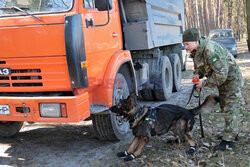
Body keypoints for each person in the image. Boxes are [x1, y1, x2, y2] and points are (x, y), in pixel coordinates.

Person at [182, 28, 244, 151]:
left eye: (187, 44)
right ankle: (232, 133)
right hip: (223, 81)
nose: (186, 47)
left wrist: (204, 83)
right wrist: (197, 75)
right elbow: (201, 66)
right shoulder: (197, 50)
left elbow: (221, 74)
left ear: (195, 41)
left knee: (230, 108)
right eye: (184, 44)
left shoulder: (210, 50)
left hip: (231, 80)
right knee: (225, 108)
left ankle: (228, 141)